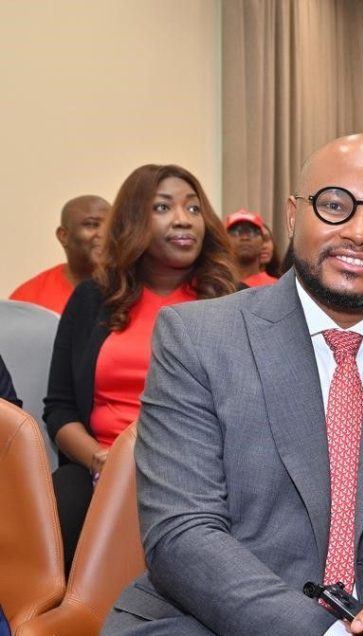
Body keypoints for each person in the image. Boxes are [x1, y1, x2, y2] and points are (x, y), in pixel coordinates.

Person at [103, 134, 363, 636]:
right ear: (293, 215)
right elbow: (182, 532)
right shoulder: (197, 339)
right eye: (335, 206)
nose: (360, 233)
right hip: (203, 623)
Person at [44, 165, 238, 575]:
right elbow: (59, 408)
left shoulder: (233, 302)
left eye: (193, 208)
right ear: (133, 220)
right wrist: (100, 460)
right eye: (163, 207)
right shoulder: (92, 297)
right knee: (58, 508)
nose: (183, 219)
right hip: (102, 467)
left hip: (204, 476)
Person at [10, 195, 111, 314]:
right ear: (63, 236)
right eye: (92, 224)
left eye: (111, 226)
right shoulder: (28, 298)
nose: (105, 234)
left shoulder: (128, 290)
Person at [226, 209, 278, 287]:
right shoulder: (217, 286)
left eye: (252, 232)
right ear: (225, 239)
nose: (245, 237)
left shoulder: (275, 286)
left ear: (262, 241)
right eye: (236, 232)